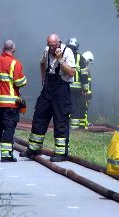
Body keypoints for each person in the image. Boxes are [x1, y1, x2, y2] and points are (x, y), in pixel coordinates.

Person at [20, 33, 75, 162]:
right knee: (39, 116)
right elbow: (42, 64)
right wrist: (43, 80)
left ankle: (61, 153)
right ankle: (33, 149)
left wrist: (61, 60)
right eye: (49, 45)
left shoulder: (68, 52)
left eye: (54, 45)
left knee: (60, 121)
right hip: (48, 88)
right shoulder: (46, 50)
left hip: (62, 90)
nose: (51, 48)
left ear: (59, 43)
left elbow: (72, 72)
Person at [0, 40, 27, 162]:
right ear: (14, 49)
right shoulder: (15, 63)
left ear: (3, 48)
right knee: (8, 129)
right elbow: (20, 82)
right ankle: (6, 155)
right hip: (10, 105)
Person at [66, 37, 90, 130]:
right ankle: (74, 128)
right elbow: (84, 75)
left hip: (65, 87)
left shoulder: (63, 56)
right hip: (77, 89)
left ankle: (65, 125)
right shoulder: (80, 58)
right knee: (75, 107)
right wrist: (85, 89)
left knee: (65, 106)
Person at [81, 50, 94, 128]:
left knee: (83, 109)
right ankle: (84, 125)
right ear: (88, 60)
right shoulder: (85, 70)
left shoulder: (82, 69)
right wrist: (88, 94)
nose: (89, 65)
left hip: (83, 93)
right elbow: (87, 84)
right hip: (85, 94)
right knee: (84, 109)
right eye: (89, 62)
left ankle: (84, 123)